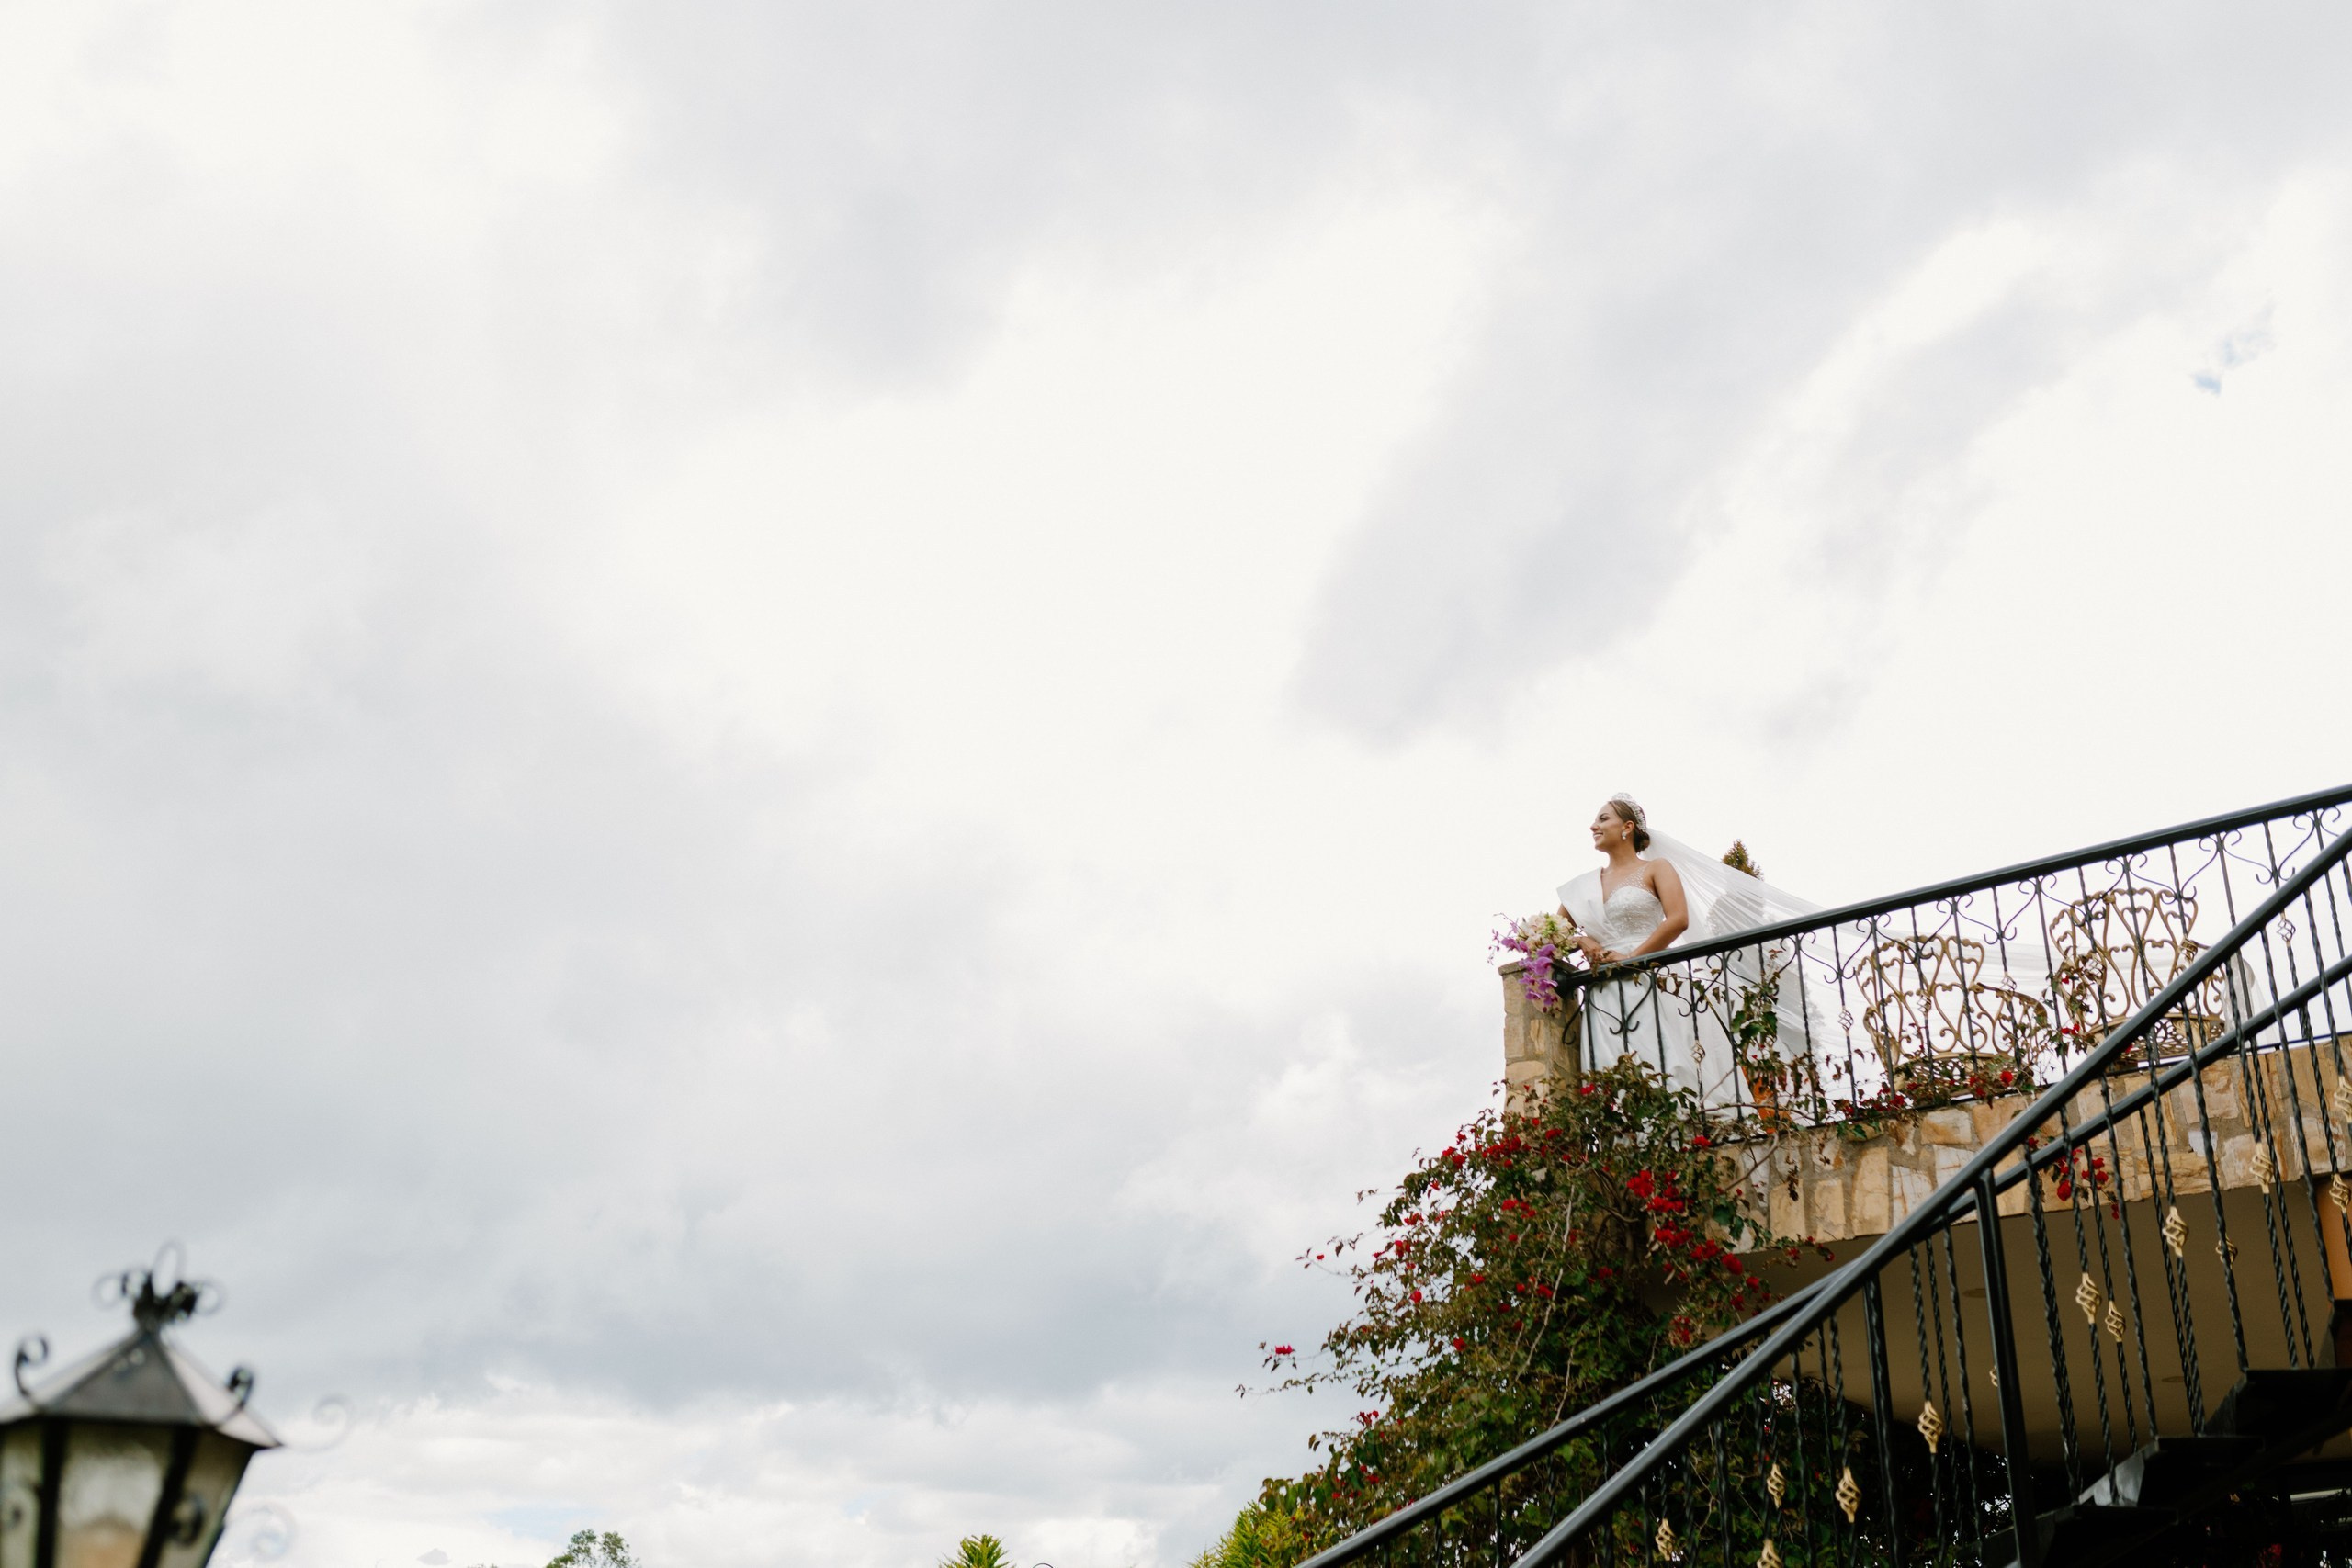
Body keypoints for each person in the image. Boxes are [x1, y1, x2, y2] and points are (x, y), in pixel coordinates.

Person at [1555, 794, 1823, 1113]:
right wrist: (1583, 942)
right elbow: (1553, 935)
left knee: (1668, 1062)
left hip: (1651, 978)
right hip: (1605, 992)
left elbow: (1678, 919)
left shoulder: (1656, 868)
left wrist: (1632, 960)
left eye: (1603, 819)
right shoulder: (1583, 886)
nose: (1593, 826)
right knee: (1614, 1073)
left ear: (1627, 827)